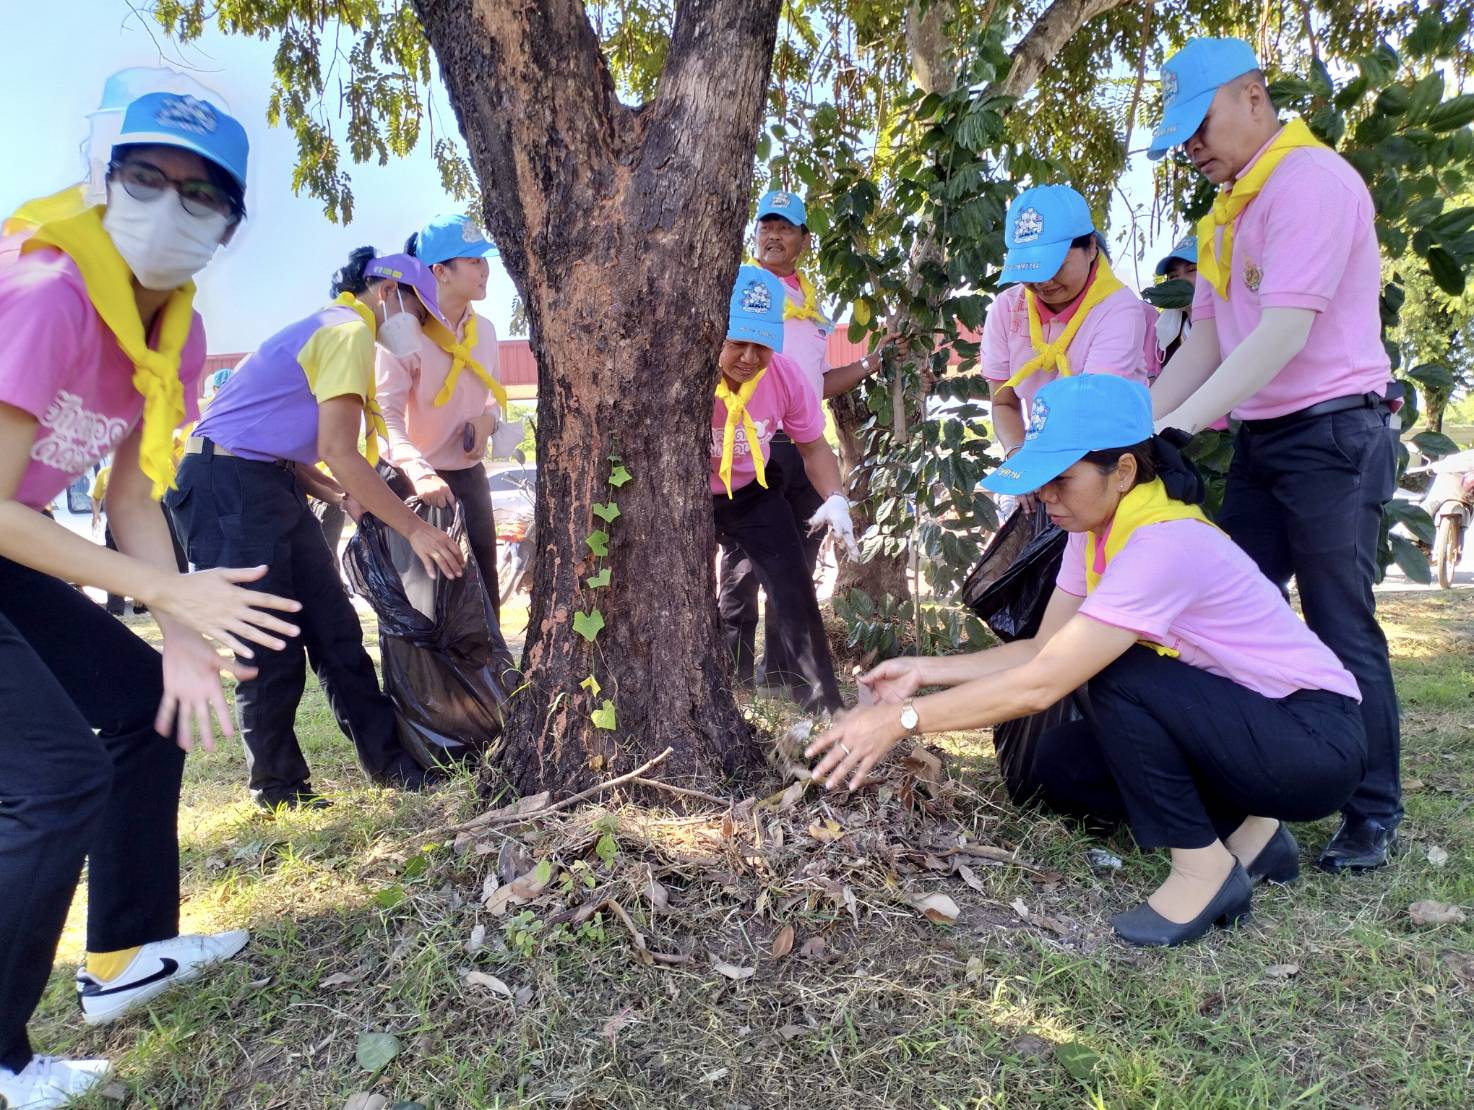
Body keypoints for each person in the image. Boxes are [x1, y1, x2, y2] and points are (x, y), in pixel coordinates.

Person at [808, 374, 1366, 947]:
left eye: (1062, 479)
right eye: (1042, 479)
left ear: (1123, 471)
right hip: (1249, 725)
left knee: (1108, 671)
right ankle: (1254, 834)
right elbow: (1045, 647)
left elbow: (1045, 682)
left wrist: (903, 720)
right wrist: (924, 670)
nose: (1046, 495)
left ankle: (1205, 871)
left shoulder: (1164, 543)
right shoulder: (1095, 530)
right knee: (1059, 768)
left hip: (1313, 742)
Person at [0, 92, 303, 1108]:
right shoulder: (47, 294)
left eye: (202, 194)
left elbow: (129, 493)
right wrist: (170, 590)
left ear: (228, 224)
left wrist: (177, 632)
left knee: (143, 710)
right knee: (55, 781)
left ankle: (124, 957)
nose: (172, 207)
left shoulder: (175, 329)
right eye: (147, 179)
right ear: (106, 178)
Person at [1147, 38, 1402, 872]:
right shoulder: (1229, 208)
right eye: (1182, 136)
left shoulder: (1310, 183)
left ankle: (1373, 813)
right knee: (1231, 615)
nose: (1194, 148)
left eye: (1201, 125)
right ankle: (1256, 804)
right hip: (1264, 438)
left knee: (1339, 621)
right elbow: (1207, 341)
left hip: (1334, 433)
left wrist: (1182, 426)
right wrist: (1140, 429)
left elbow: (1287, 332)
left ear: (1253, 95)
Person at [168, 247, 466, 810]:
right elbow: (339, 450)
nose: (420, 326)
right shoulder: (345, 330)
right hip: (222, 486)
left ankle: (393, 765)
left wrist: (337, 495)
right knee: (270, 644)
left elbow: (277, 441)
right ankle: (278, 790)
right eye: (418, 311)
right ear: (387, 292)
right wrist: (415, 530)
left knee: (336, 630)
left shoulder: (330, 331)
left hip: (265, 479)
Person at [719, 190, 907, 689]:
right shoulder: (739, 291)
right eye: (766, 225)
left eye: (785, 228)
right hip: (749, 443)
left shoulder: (811, 307)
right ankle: (732, 675)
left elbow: (817, 382)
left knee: (795, 563)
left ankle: (782, 676)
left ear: (804, 240)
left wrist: (872, 361)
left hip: (802, 440)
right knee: (742, 565)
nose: (773, 235)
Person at [712, 266, 859, 713]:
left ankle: (820, 702)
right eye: (738, 342)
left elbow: (814, 449)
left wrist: (836, 498)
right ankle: (721, 687)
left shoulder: (786, 376)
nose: (750, 358)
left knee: (793, 582)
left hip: (753, 489)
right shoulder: (686, 375)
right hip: (687, 498)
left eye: (763, 344)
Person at [983, 184, 1149, 510]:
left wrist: (1038, 469)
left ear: (1090, 247)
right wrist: (1017, 454)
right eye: (1031, 270)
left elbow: (1086, 415)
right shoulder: (1007, 308)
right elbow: (1003, 403)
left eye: (1055, 265)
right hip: (1047, 464)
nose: (1044, 282)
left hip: (1108, 465)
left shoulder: (1118, 310)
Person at [381, 214, 506, 615]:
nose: (485, 270)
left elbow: (492, 400)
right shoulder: (402, 331)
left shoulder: (484, 330)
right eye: (472, 261)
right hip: (412, 485)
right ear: (440, 271)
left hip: (468, 481)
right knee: (424, 609)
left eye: (483, 260)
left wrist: (486, 424)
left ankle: (491, 678)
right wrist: (419, 473)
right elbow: (386, 416)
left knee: (484, 596)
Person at [1148, 235, 1199, 375]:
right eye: (1173, 277)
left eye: (1191, 270)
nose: (1181, 281)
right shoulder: (1167, 339)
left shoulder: (1230, 323)